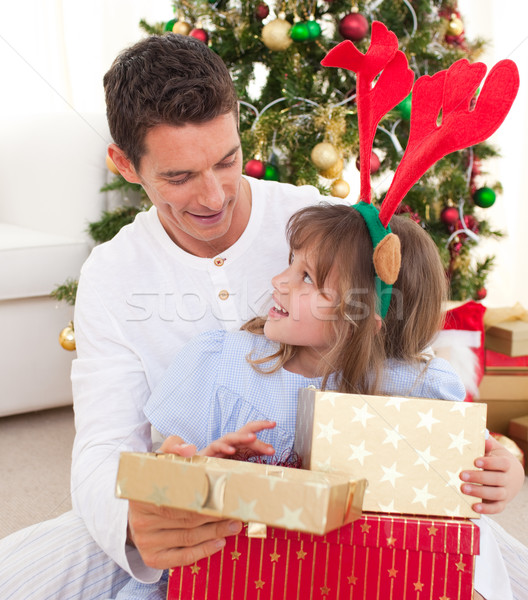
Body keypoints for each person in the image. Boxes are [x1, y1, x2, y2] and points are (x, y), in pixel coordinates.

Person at [0, 33, 331, 599]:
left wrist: (499, 452)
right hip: (195, 514)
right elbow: (104, 444)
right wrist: (132, 521)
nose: (213, 197)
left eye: (227, 161)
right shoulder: (111, 273)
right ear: (126, 165)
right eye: (178, 178)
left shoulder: (319, 219)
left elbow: (417, 353)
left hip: (336, 504)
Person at [117, 204, 524, 600]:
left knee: (479, 553)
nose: (279, 280)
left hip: (366, 575)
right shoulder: (227, 364)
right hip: (243, 575)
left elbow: (473, 464)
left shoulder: (415, 387)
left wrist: (505, 476)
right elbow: (168, 480)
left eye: (307, 277)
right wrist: (207, 462)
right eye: (290, 262)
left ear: (364, 315)